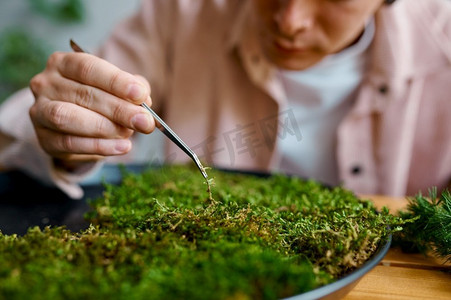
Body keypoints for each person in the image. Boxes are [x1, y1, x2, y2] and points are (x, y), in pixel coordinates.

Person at [0, 0, 450, 199]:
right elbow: (14, 138)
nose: (290, 20)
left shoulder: (442, 40)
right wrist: (61, 135)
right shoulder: (183, 12)